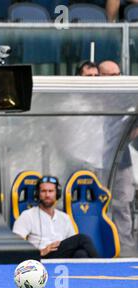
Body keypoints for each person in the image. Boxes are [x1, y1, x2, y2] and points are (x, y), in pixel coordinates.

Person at [99, 60, 138, 256]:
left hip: (121, 163)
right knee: (98, 206)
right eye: (111, 76)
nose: (117, 79)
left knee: (122, 205)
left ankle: (126, 251)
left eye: (118, 74)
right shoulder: (91, 97)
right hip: (96, 163)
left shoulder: (127, 98)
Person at [13, 176, 99, 258]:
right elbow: (15, 243)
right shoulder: (28, 215)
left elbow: (73, 244)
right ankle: (102, 267)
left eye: (51, 191)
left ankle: (93, 271)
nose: (47, 195)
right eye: (43, 191)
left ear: (57, 193)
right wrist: (41, 251)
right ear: (37, 194)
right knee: (82, 238)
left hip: (61, 255)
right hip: (41, 257)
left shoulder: (64, 217)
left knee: (81, 254)